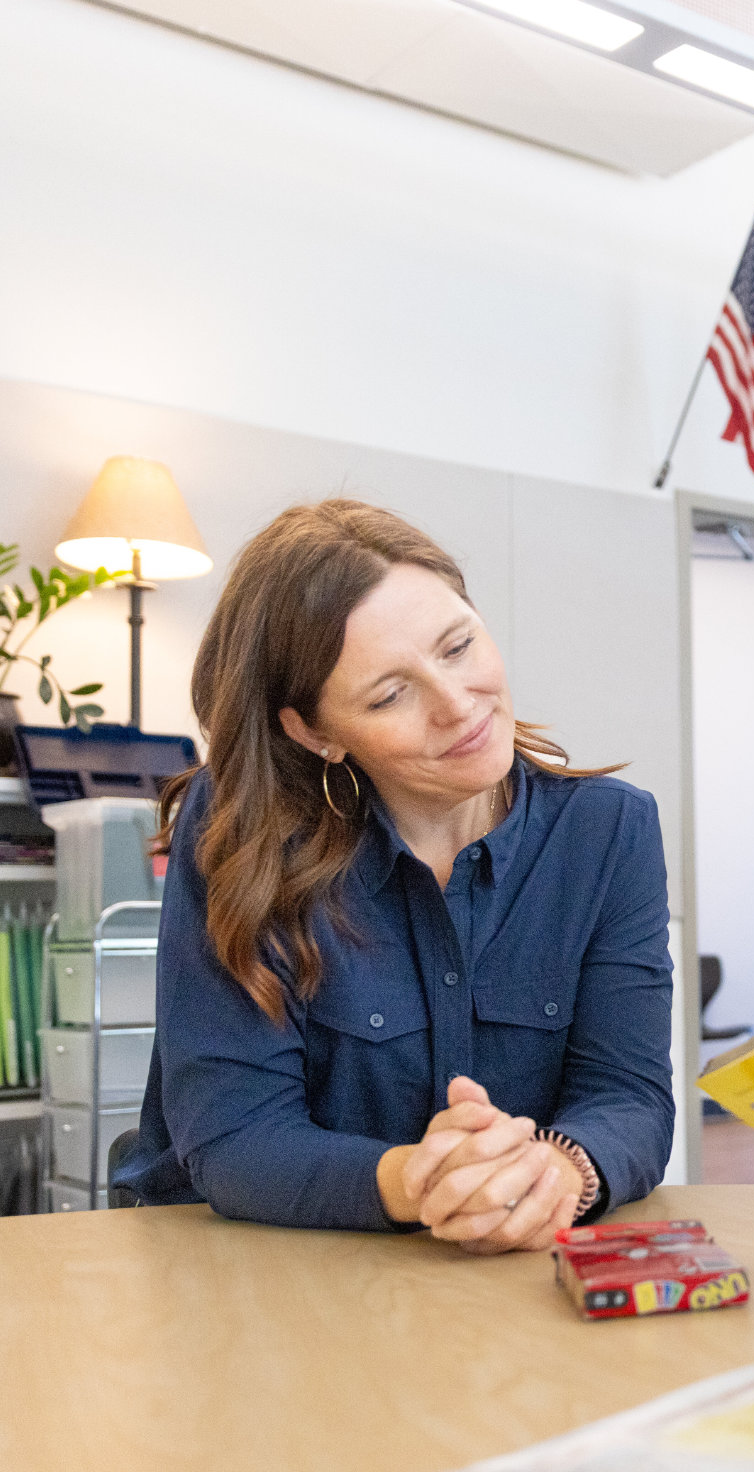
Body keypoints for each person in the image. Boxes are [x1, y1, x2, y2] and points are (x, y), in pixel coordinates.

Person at [115, 501, 675, 1254]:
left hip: (499, 1276)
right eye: (389, 694)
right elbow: (234, 1132)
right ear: (316, 732)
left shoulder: (610, 832)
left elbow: (628, 1097)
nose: (458, 705)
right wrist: (422, 1181)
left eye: (458, 645)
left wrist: (558, 1172)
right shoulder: (243, 832)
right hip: (252, 1269)